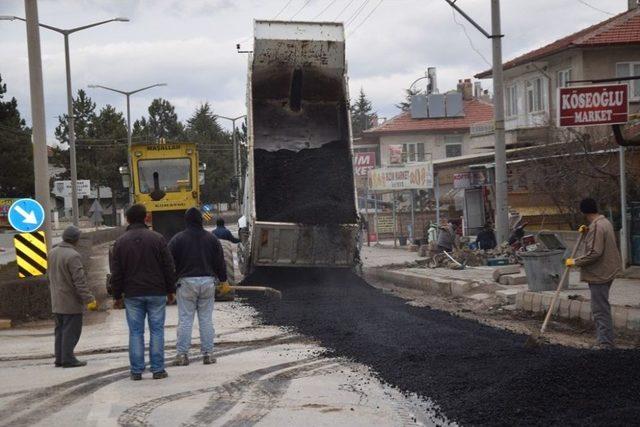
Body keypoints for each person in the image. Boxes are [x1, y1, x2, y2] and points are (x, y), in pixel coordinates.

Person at [110, 204, 176, 380]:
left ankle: (137, 371)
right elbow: (168, 267)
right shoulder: (158, 239)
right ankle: (158, 370)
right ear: (146, 218)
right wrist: (171, 289)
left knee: (136, 332)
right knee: (157, 331)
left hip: (132, 294)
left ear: (127, 219)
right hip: (156, 292)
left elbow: (117, 273)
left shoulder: (120, 242)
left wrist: (117, 296)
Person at [169, 208, 229, 366]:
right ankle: (208, 354)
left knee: (185, 320)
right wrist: (223, 280)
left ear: (186, 221)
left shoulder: (177, 240)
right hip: (208, 282)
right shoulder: (212, 239)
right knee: (206, 319)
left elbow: (168, 263)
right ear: (201, 221)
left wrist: (169, 284)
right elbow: (220, 262)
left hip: (186, 283)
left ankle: (182, 355)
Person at [566, 198, 622, 349]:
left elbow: (594, 253)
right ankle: (605, 340)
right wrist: (587, 232)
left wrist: (575, 262)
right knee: (602, 307)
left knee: (599, 309)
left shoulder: (597, 226)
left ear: (583, 211)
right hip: (608, 270)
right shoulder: (604, 222)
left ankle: (605, 343)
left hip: (600, 274)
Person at [48, 226, 97, 368]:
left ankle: (60, 358)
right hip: (70, 301)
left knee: (60, 331)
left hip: (56, 300)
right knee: (71, 331)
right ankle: (68, 359)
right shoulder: (73, 255)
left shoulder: (52, 252)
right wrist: (89, 299)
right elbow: (79, 281)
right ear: (76, 239)